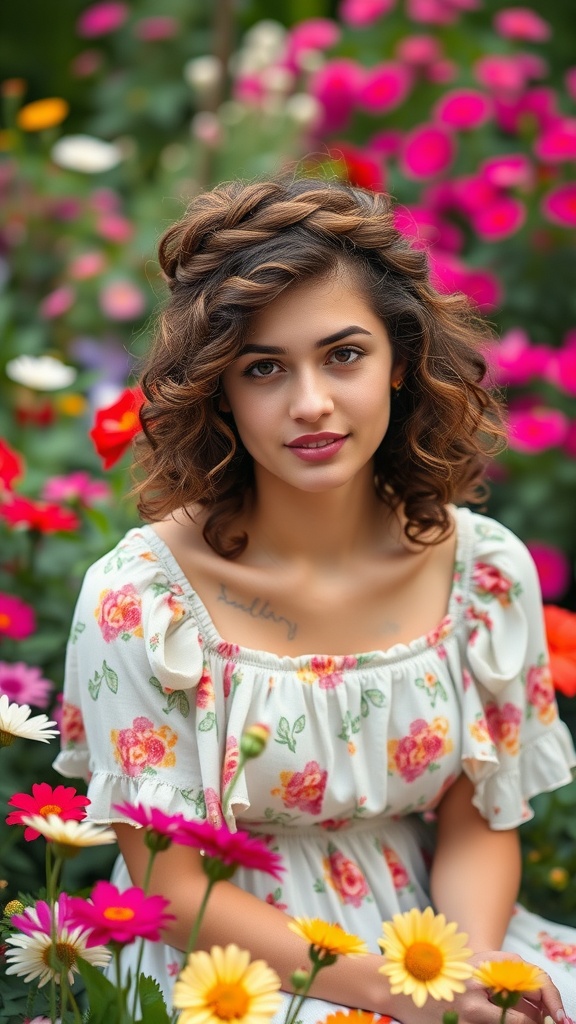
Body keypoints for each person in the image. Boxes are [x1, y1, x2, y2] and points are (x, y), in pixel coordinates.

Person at [54, 176, 576, 1023]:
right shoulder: (143, 601)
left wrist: (471, 970)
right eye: (264, 368)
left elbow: (477, 818)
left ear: (400, 362)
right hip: (230, 972)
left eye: (344, 355)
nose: (311, 404)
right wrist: (400, 996)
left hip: (436, 935)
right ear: (220, 390)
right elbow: (170, 887)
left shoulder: (483, 574)